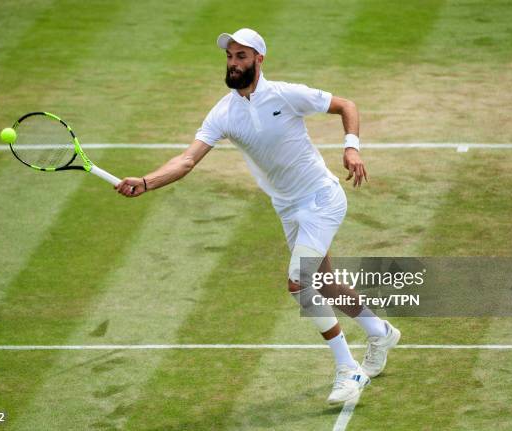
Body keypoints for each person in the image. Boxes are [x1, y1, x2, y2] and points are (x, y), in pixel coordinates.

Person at [116, 28, 400, 407]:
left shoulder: (285, 94)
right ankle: (380, 331)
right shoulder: (223, 112)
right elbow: (186, 160)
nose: (233, 64)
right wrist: (147, 182)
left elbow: (346, 105)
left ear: (259, 60)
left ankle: (348, 369)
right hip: (287, 208)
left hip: (321, 200)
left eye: (241, 56)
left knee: (300, 285)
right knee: (326, 285)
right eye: (230, 56)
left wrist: (352, 149)